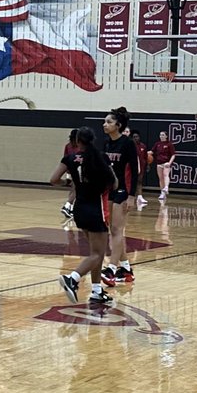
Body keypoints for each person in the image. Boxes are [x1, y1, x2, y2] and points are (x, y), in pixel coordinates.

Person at [54, 126, 116, 305]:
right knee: (98, 254)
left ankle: (97, 291)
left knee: (95, 253)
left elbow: (53, 180)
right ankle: (72, 279)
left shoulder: (70, 158)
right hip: (96, 209)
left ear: (76, 141)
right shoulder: (100, 157)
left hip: (79, 209)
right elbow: (114, 182)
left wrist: (69, 182)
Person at [100, 107, 138, 286]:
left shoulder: (127, 143)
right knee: (113, 231)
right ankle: (126, 269)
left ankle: (111, 269)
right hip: (109, 189)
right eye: (105, 121)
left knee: (116, 230)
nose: (105, 124)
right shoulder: (107, 143)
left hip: (123, 190)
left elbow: (136, 172)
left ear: (118, 125)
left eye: (109, 122)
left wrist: (132, 196)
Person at [150, 131, 176, 201]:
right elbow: (152, 151)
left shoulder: (169, 144)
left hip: (166, 163)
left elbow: (173, 155)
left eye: (163, 135)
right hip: (159, 163)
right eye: (160, 135)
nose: (161, 136)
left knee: (165, 175)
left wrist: (169, 163)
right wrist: (147, 153)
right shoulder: (157, 144)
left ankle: (166, 187)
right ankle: (162, 193)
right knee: (161, 178)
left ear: (166, 136)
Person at [61, 129, 79, 222]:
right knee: (76, 190)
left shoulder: (68, 146)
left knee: (73, 190)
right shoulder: (79, 147)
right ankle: (67, 205)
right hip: (77, 171)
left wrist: (67, 173)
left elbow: (65, 159)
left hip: (70, 170)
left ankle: (70, 209)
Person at [129, 130, 149, 209]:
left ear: (139, 137)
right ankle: (130, 196)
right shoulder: (130, 146)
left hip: (141, 166)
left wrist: (147, 165)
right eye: (134, 137)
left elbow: (146, 157)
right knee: (131, 182)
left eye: (136, 137)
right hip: (131, 167)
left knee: (139, 181)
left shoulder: (143, 146)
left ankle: (140, 197)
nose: (135, 138)